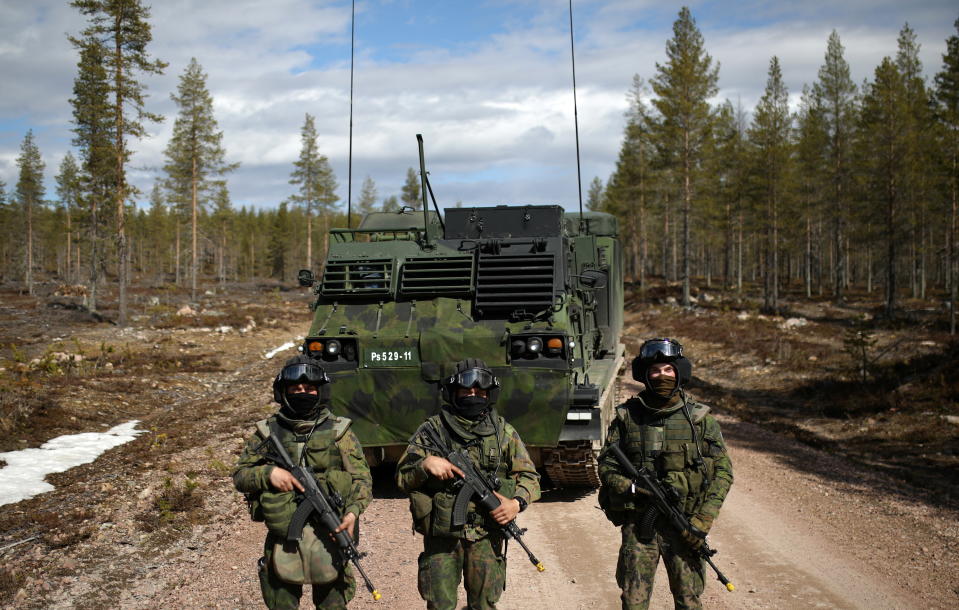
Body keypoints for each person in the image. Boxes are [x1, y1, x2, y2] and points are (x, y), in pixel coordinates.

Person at [598, 338, 733, 610]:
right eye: (655, 371)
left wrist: (701, 523)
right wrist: (633, 488)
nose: (662, 376)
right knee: (633, 600)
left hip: (684, 524)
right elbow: (607, 465)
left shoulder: (699, 419)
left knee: (688, 599)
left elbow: (723, 473)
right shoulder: (627, 417)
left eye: (668, 370)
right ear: (645, 375)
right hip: (639, 525)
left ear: (679, 372)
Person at [396, 358, 541, 610]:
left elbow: (530, 477)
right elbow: (402, 477)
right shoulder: (432, 431)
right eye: (466, 390)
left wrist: (516, 503)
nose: (473, 395)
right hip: (442, 537)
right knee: (440, 604)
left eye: (479, 391)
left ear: (489, 393)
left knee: (484, 604)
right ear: (454, 392)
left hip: (486, 534)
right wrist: (425, 464)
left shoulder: (503, 433)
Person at [234, 355, 373, 609]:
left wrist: (352, 514)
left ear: (320, 391)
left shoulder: (339, 431)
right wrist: (268, 474)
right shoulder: (267, 432)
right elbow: (241, 476)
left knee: (332, 603)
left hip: (330, 533)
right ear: (283, 392)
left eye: (309, 388)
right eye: (295, 389)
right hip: (283, 537)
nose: (302, 393)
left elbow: (362, 479)